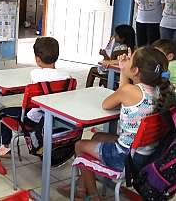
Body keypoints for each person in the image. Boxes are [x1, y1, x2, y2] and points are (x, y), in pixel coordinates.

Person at [67, 47, 174, 200]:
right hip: (149, 155)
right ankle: (82, 187)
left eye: (130, 59)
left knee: (79, 145)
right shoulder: (166, 90)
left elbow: (107, 104)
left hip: (125, 158)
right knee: (97, 137)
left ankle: (93, 195)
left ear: (135, 70)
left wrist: (123, 72)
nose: (126, 60)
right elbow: (122, 95)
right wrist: (125, 70)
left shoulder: (130, 91)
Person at [0, 37, 69, 156]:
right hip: (57, 117)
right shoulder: (67, 76)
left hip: (33, 118)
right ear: (57, 56)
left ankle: (5, 146)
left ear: (37, 59)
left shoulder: (35, 74)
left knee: (3, 112)